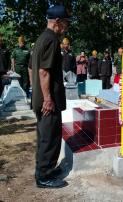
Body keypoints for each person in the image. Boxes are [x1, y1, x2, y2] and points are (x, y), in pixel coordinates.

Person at [30, 5, 70, 188]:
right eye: (66, 23)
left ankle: (45, 169)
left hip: (41, 97)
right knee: (50, 138)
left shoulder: (40, 39)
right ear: (58, 22)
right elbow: (43, 72)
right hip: (49, 101)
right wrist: (47, 98)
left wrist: (36, 91)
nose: (67, 27)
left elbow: (31, 68)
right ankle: (44, 178)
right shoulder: (52, 40)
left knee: (45, 136)